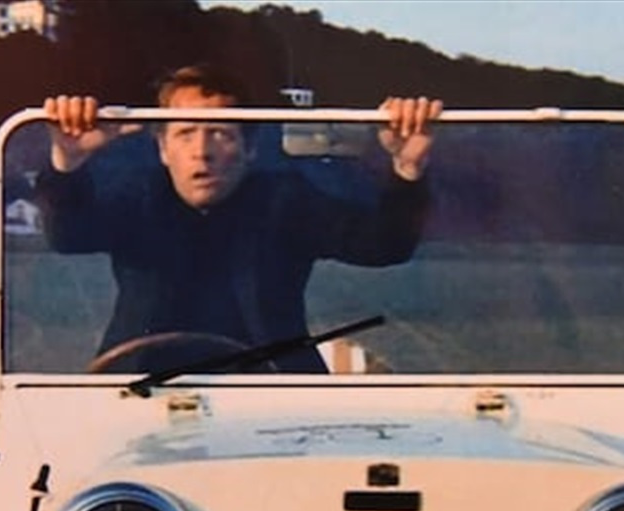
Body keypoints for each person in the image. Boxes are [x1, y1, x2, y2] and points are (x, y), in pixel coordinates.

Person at [36, 63, 443, 373]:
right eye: (185, 133)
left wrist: (407, 167)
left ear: (249, 149)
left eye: (221, 133)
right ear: (162, 149)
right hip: (141, 390)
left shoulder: (284, 201)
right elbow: (68, 235)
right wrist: (67, 163)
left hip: (272, 396)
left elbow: (384, 244)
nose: (202, 151)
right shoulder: (138, 197)